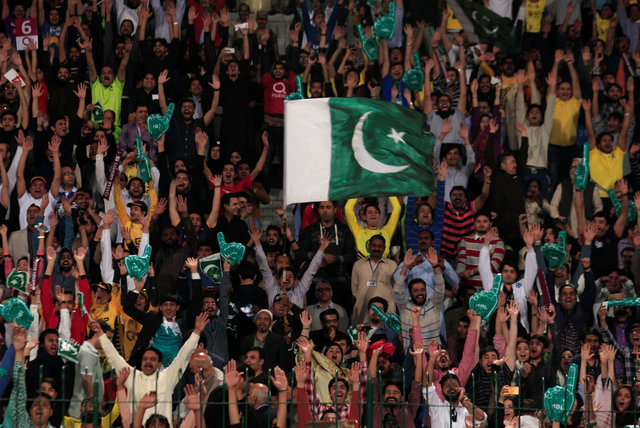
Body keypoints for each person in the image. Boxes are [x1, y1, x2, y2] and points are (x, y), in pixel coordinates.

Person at [92, 312, 210, 427]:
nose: (148, 362)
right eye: (145, 359)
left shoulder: (167, 377)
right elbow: (114, 357)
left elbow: (183, 356)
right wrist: (102, 335)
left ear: (159, 364)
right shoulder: (132, 376)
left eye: (153, 359)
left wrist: (196, 333)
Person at [351, 234, 398, 325]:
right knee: (363, 337)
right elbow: (355, 290)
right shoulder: (358, 265)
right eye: (374, 245)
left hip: (386, 312)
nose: (377, 248)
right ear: (369, 246)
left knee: (386, 338)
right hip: (363, 311)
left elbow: (397, 288)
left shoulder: (392, 265)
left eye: (380, 246)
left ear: (384, 248)